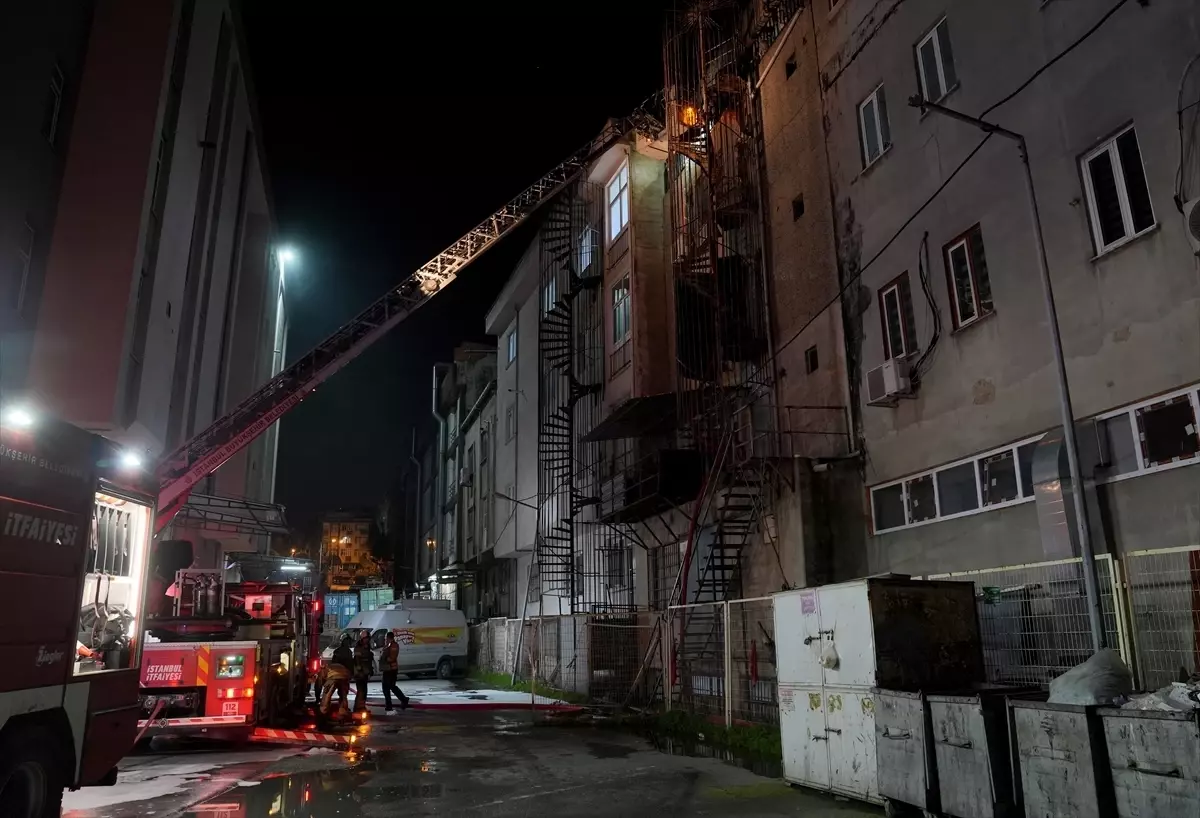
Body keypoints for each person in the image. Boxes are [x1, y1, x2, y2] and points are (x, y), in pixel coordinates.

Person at [380, 631, 410, 714]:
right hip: (388, 669)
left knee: (387, 688)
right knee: (391, 687)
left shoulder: (394, 646)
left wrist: (385, 659)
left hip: (391, 669)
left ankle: (389, 706)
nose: (385, 639)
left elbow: (392, 657)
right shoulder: (388, 645)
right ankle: (403, 700)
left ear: (389, 638)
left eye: (386, 638)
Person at [329, 635, 354, 713]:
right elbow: (350, 664)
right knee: (343, 694)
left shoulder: (337, 651)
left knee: (329, 693)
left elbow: (333, 663)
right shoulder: (348, 652)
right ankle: (343, 709)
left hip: (334, 675)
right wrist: (351, 674)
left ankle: (325, 708)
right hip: (343, 676)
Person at [352, 631, 374, 712]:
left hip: (365, 672)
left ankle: (362, 707)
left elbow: (369, 660)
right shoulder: (358, 647)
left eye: (368, 638)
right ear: (363, 638)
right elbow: (357, 660)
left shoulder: (367, 646)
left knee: (364, 691)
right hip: (360, 673)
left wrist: (370, 670)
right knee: (361, 691)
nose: (368, 640)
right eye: (367, 638)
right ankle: (357, 708)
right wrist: (360, 671)